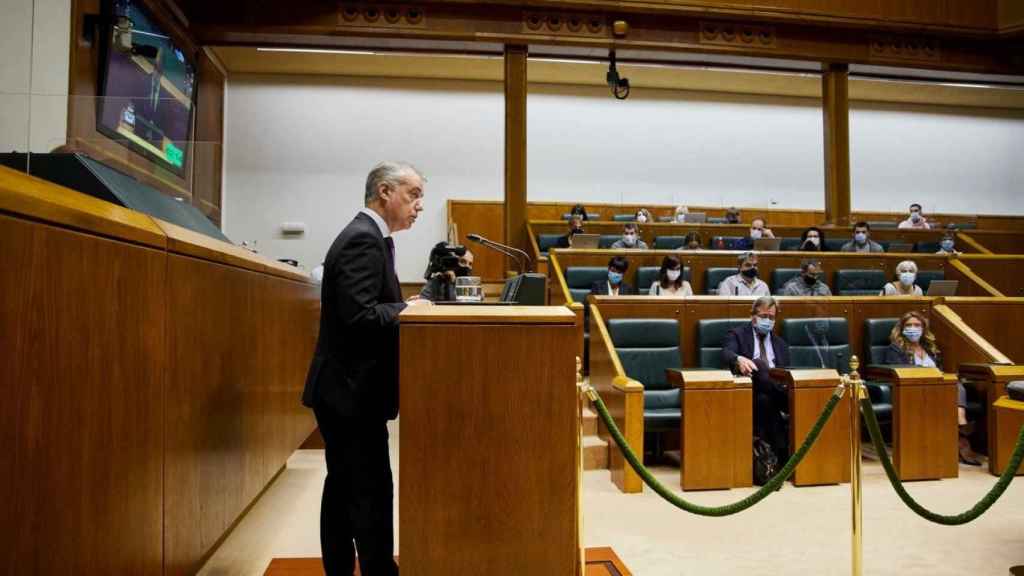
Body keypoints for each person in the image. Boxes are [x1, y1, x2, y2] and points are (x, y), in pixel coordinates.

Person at [302, 161, 430, 576]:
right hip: (349, 393)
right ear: (384, 192)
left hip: (346, 390)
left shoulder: (371, 237)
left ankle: (339, 569)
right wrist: (407, 310)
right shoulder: (363, 240)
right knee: (369, 490)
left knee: (342, 488)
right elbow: (359, 318)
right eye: (413, 194)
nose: (419, 206)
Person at [883, 311, 979, 465]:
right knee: (951, 390)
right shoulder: (896, 349)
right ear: (901, 329)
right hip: (912, 390)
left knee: (955, 383)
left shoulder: (930, 349)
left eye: (917, 325)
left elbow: (939, 370)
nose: (913, 328)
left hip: (937, 387)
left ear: (923, 329)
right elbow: (895, 372)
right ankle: (962, 433)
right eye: (908, 325)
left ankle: (960, 420)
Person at [722, 296, 792, 463]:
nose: (767, 320)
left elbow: (786, 372)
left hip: (766, 394)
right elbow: (726, 353)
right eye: (763, 316)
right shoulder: (737, 334)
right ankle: (783, 455)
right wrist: (739, 359)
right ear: (752, 315)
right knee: (759, 365)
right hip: (746, 390)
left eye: (771, 317)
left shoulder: (781, 344)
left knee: (765, 401)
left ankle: (769, 460)